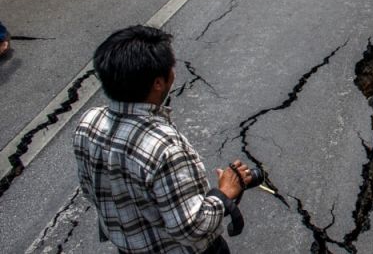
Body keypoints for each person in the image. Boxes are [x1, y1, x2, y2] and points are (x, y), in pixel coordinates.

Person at [74, 26, 255, 254]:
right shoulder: (164, 148)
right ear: (158, 83)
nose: (174, 71)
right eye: (171, 66)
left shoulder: (88, 123)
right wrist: (225, 193)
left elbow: (91, 191)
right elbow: (191, 227)